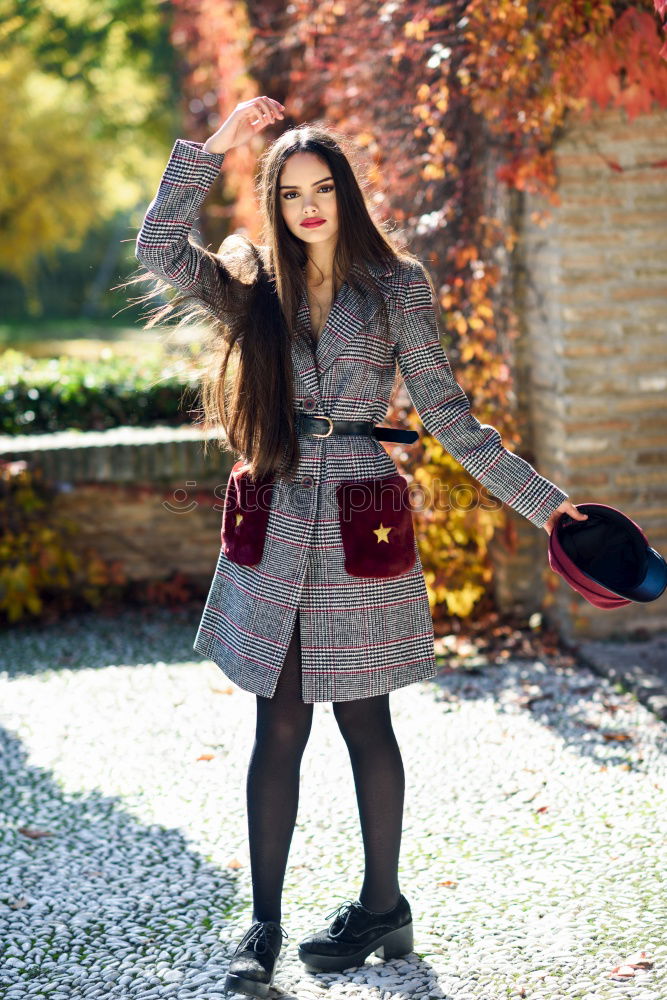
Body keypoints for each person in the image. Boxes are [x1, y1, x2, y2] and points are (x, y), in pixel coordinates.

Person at [132, 96, 587, 998]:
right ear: (275, 203)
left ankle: (383, 906)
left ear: (345, 194)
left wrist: (549, 509)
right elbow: (155, 248)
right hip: (275, 511)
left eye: (322, 188)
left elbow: (450, 420)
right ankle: (261, 925)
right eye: (290, 192)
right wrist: (212, 147)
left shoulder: (396, 287)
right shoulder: (250, 287)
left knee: (363, 717)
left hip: (358, 516)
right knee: (278, 720)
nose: (308, 206)